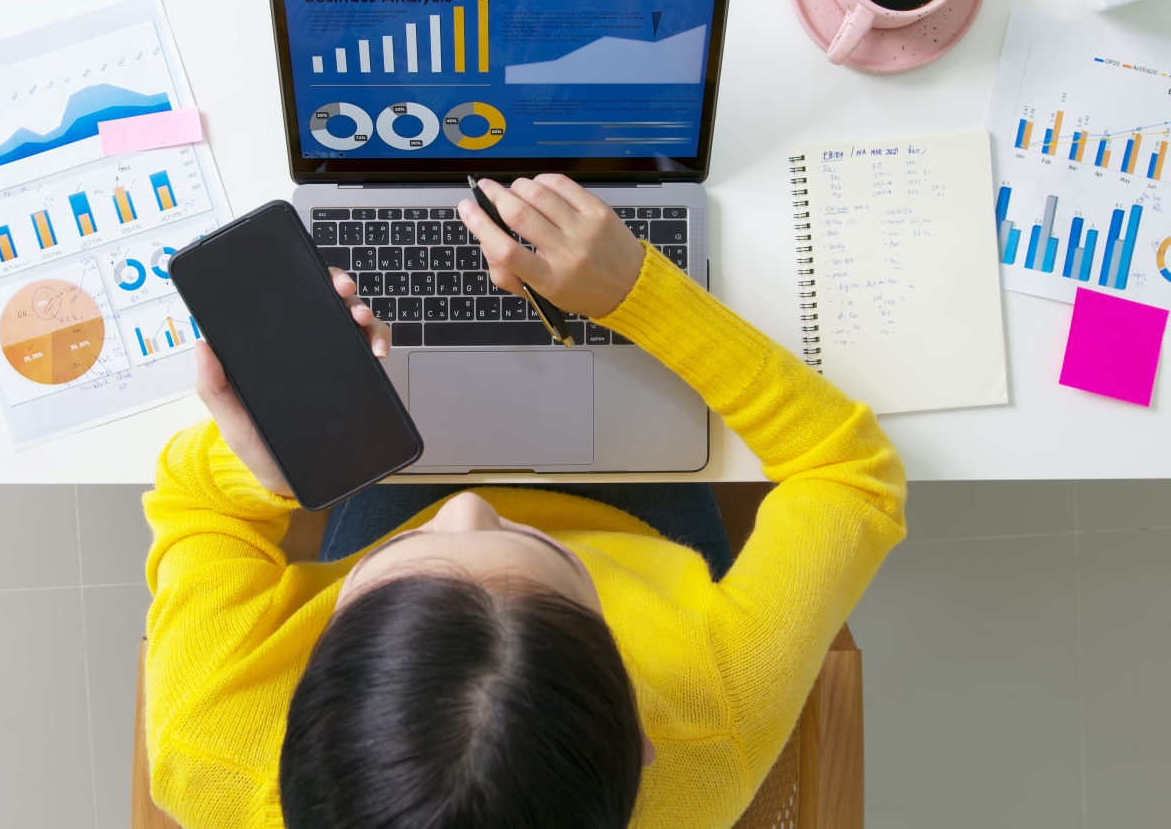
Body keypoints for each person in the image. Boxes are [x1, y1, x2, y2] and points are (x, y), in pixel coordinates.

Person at [141, 175, 906, 829]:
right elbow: (852, 476)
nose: (466, 505)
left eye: (404, 573)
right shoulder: (710, 725)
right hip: (640, 525)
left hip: (381, 494)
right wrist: (639, 297)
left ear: (296, 708)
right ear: (640, 733)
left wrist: (278, 462)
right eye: (537, 554)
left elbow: (197, 509)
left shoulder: (208, 739)